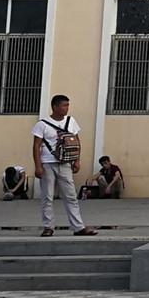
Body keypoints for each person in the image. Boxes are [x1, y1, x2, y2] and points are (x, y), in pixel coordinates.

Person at [30, 95, 96, 238]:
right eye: (64, 105)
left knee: (71, 196)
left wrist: (77, 160)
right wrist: (38, 166)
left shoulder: (71, 121)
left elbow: (76, 141)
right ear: (55, 107)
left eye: (67, 105)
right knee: (47, 197)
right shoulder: (42, 124)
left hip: (65, 163)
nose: (67, 108)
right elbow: (36, 146)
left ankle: (78, 227)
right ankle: (48, 227)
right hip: (47, 163)